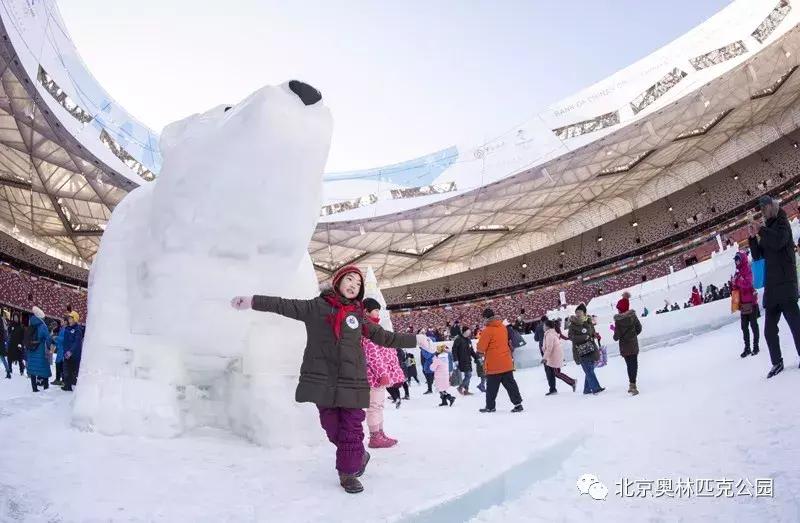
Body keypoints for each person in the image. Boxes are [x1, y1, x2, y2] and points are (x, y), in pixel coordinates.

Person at [230, 265, 426, 494]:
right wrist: (252, 301)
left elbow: (384, 337)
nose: (353, 285)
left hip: (352, 382)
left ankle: (348, 474)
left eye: (358, 284)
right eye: (350, 280)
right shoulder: (315, 307)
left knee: (351, 428)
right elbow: (282, 304)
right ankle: (358, 455)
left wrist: (415, 340)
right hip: (324, 382)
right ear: (338, 281)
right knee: (332, 428)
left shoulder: (358, 316)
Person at [748, 196, 800, 378]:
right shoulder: (768, 228)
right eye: (760, 209)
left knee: (796, 325)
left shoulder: (782, 222)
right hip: (772, 288)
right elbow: (757, 256)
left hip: (786, 284)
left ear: (771, 206)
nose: (762, 211)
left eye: (764, 208)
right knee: (769, 330)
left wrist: (761, 229)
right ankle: (777, 362)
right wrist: (753, 238)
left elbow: (779, 242)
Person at [360, 298, 406, 449]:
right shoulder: (367, 328)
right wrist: (382, 373)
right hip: (373, 376)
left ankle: (380, 433)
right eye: (375, 310)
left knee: (378, 405)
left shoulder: (373, 327)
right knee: (374, 406)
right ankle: (374, 437)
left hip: (378, 374)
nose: (377, 313)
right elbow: (371, 353)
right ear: (366, 311)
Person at [477, 309, 523, 413]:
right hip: (506, 361)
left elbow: (481, 347)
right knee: (511, 385)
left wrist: (479, 350)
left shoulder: (487, 330)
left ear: (485, 318)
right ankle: (518, 404)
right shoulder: (502, 327)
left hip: (494, 364)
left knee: (491, 388)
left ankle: (490, 406)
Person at [569, 304, 604, 395]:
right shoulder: (573, 324)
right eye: (576, 312)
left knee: (589, 370)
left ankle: (587, 389)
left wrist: (595, 335)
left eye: (580, 312)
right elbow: (571, 337)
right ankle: (596, 388)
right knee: (589, 370)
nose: (577, 314)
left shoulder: (588, 322)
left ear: (584, 313)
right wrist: (585, 337)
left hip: (591, 348)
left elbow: (591, 332)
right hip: (580, 350)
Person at [731, 251, 760, 358]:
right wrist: (734, 283)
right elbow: (736, 287)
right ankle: (747, 348)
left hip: (751, 302)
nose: (736, 262)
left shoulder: (747, 270)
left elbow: (748, 284)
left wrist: (738, 281)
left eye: (738, 260)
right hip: (743, 304)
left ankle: (755, 346)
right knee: (744, 327)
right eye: (735, 260)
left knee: (753, 325)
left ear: (742, 260)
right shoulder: (737, 272)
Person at [613, 295, 642, 396]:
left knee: (629, 365)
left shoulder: (618, 320)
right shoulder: (633, 316)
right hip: (633, 344)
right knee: (634, 364)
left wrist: (615, 331)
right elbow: (639, 328)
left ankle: (632, 384)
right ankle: (632, 384)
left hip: (624, 347)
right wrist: (633, 336)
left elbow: (616, 337)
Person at [541, 319, 576, 395]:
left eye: (544, 325)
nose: (543, 327)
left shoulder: (549, 334)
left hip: (554, 356)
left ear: (547, 326)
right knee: (556, 372)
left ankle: (572, 381)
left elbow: (549, 347)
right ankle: (554, 388)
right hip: (555, 355)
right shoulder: (550, 333)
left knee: (557, 373)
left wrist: (544, 358)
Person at [26, 307, 52, 392]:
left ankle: (34, 388)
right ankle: (46, 387)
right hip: (41, 350)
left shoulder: (31, 324)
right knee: (44, 368)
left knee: (33, 369)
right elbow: (47, 339)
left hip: (31, 350)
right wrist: (49, 346)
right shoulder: (43, 326)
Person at [62, 311, 84, 392]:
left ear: (75, 319)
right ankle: (67, 385)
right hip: (66, 353)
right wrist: (65, 351)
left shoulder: (77, 329)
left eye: (71, 318)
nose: (69, 319)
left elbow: (77, 342)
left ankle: (73, 386)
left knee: (73, 371)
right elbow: (65, 342)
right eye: (69, 318)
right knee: (66, 370)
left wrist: (71, 351)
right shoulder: (67, 328)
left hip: (74, 355)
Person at [452, 326, 478, 395]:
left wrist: (476, 357)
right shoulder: (458, 339)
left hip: (468, 360)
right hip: (461, 360)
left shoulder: (468, 340)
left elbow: (471, 351)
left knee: (468, 375)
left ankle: (466, 390)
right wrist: (455, 359)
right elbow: (454, 350)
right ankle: (461, 387)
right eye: (468, 330)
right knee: (468, 375)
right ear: (465, 331)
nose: (470, 332)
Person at [51, 318, 67, 386]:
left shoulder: (66, 329)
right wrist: (55, 341)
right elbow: (60, 340)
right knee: (58, 364)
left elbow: (64, 339)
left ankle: (63, 380)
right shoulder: (62, 329)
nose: (61, 322)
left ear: (66, 322)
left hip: (63, 350)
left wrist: (56, 338)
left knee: (62, 366)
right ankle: (57, 379)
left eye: (62, 321)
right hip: (60, 349)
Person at [419, 330, 436, 395]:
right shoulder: (429, 341)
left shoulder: (428, 341)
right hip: (428, 360)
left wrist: (422, 348)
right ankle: (431, 387)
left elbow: (427, 355)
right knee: (428, 373)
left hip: (428, 361)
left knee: (429, 374)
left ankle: (430, 389)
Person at [0, 310, 9, 379]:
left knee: (2, 357)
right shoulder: (2, 321)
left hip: (1, 342)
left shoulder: (1, 321)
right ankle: (8, 371)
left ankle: (8, 371)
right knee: (2, 358)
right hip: (2, 341)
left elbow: (2, 331)